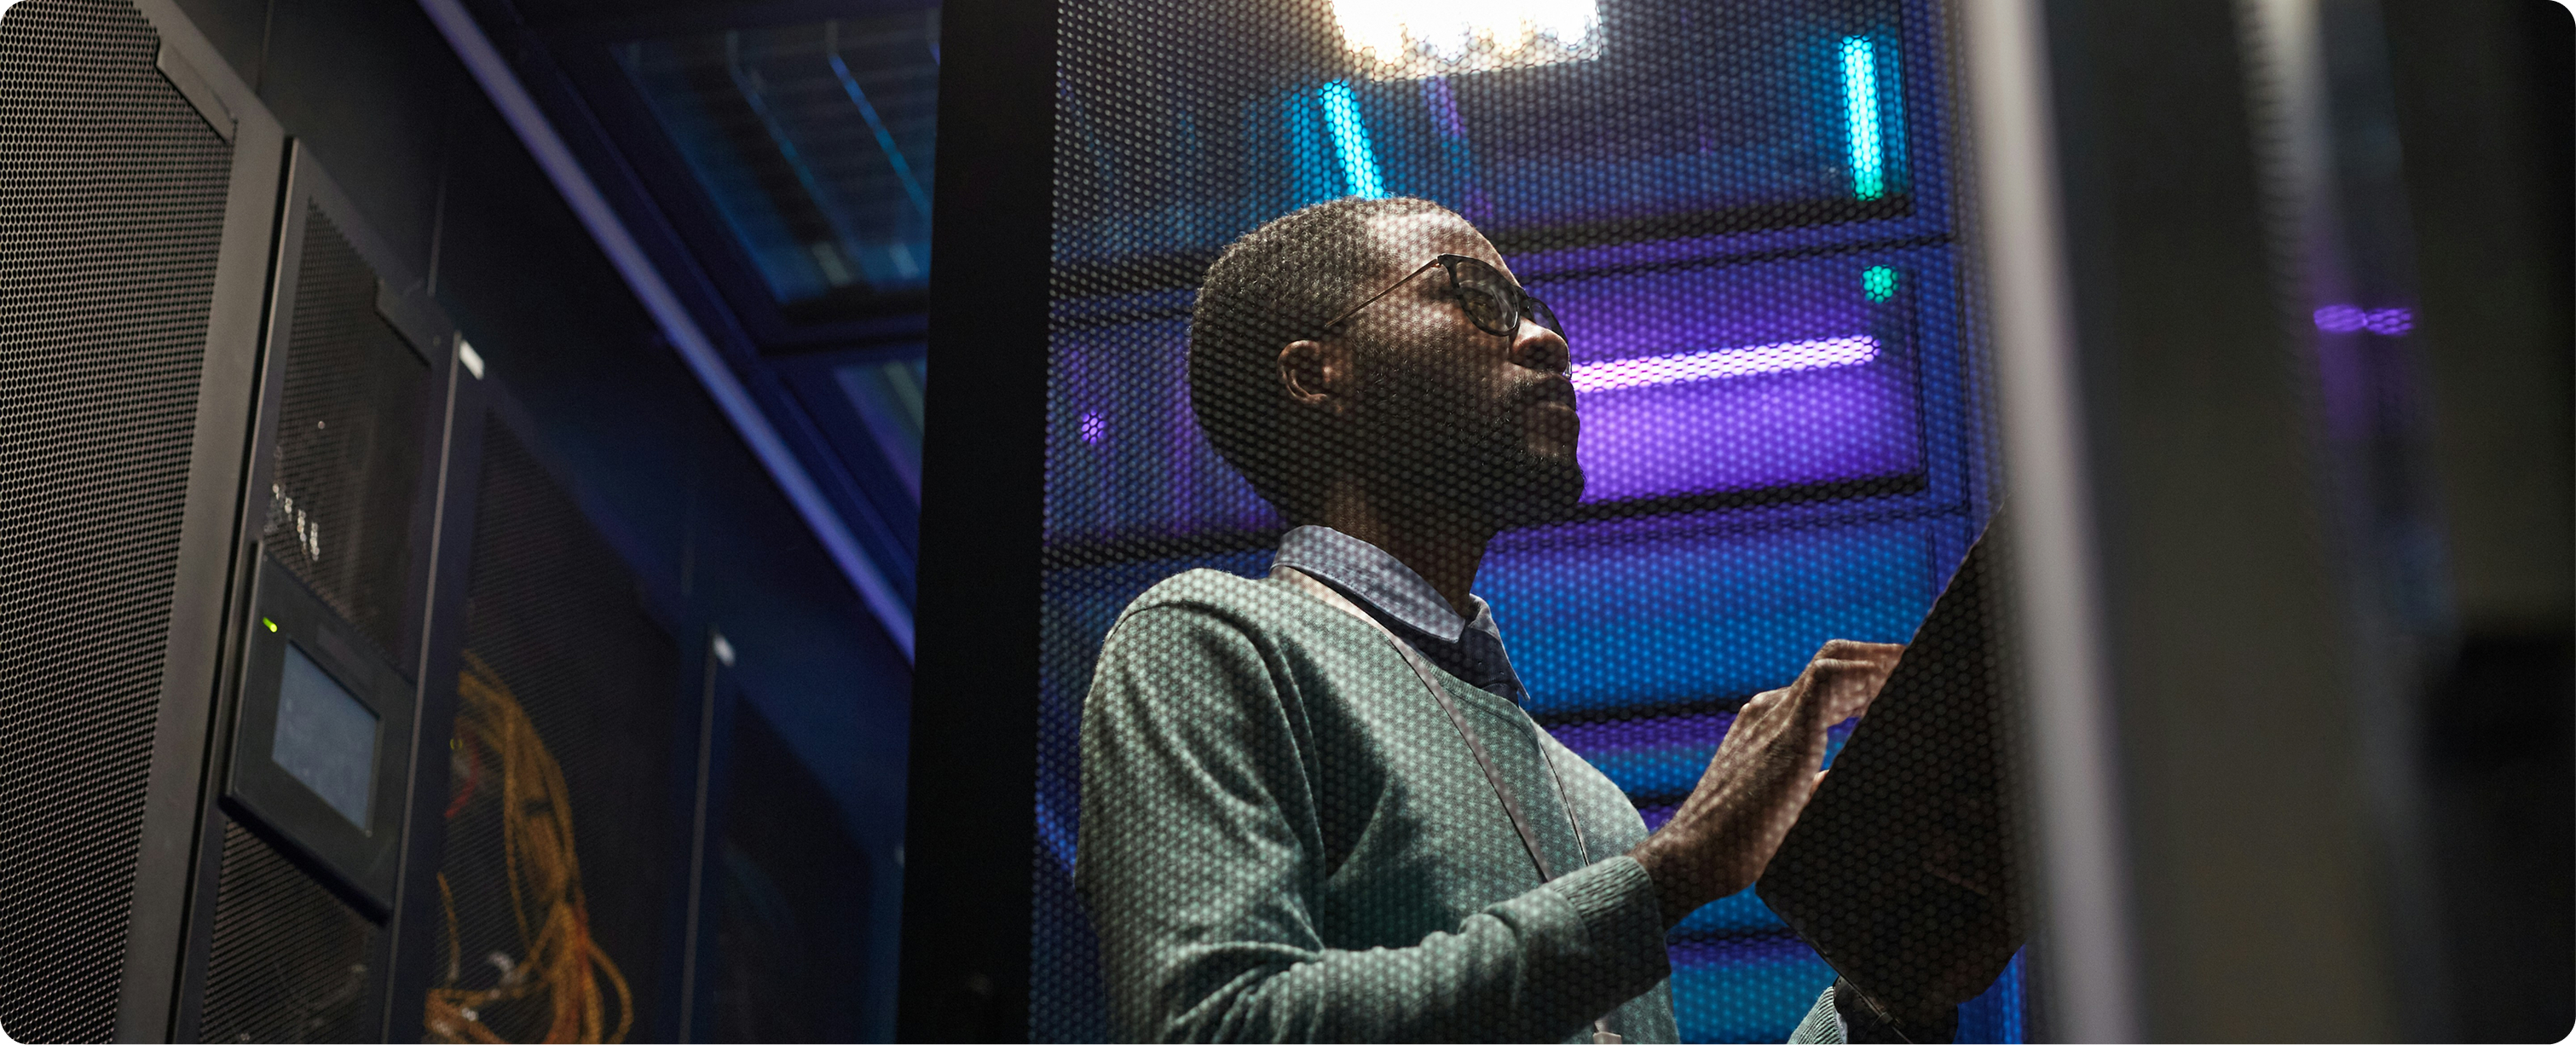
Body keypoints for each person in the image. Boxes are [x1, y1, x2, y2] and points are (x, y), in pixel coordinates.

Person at [1074, 195, 1909, 1043]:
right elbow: (1218, 1026)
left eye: (1533, 313)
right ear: (1314, 373)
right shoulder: (1208, 640)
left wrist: (1892, 981)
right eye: (1474, 298)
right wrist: (1672, 871)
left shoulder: (1594, 799)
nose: (1548, 339)